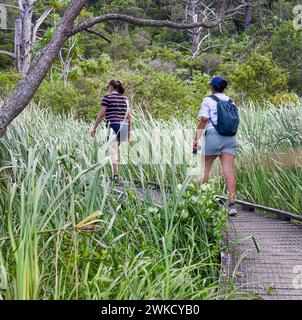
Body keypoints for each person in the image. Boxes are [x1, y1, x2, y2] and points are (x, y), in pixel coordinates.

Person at [193, 76, 238, 216]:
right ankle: (232, 205)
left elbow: (204, 120)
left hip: (213, 136)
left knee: (205, 169)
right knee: (228, 171)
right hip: (230, 137)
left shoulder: (208, 100)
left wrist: (196, 139)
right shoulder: (231, 101)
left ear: (212, 87)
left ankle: (200, 200)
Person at [91, 80, 131, 183]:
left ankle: (116, 176)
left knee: (113, 151)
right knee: (115, 150)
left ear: (112, 87)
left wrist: (94, 127)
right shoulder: (125, 99)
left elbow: (101, 114)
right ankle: (115, 173)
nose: (107, 88)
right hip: (124, 126)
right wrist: (130, 131)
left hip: (113, 125)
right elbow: (129, 115)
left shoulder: (107, 98)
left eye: (108, 86)